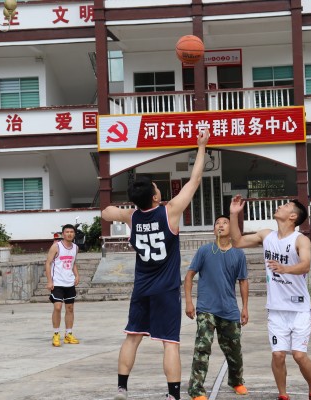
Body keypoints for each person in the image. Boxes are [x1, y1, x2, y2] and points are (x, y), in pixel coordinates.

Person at [101, 128, 210, 400]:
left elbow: (106, 212)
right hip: (166, 290)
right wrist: (201, 147)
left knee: (132, 337)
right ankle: (173, 395)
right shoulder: (169, 212)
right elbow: (195, 180)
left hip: (142, 288)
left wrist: (127, 209)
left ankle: (122, 389)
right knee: (170, 343)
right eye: (157, 189)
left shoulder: (132, 217)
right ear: (155, 197)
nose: (160, 190)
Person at [229, 194, 311, 400]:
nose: (280, 206)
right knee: (278, 355)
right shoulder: (266, 236)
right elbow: (237, 242)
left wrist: (285, 268)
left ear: (293, 216)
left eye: (286, 206)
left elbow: (305, 265)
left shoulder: (300, 239)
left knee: (299, 355)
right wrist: (234, 215)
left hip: (299, 309)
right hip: (276, 309)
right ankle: (283, 395)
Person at [184, 215, 249, 400]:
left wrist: (245, 308)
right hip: (206, 309)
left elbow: (243, 281)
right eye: (217, 224)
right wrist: (189, 302)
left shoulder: (238, 254)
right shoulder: (205, 251)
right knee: (202, 347)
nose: (221, 225)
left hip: (229, 309)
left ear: (231, 229)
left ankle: (236, 381)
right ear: (214, 230)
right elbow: (189, 276)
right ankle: (196, 389)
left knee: (234, 349)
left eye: (225, 223)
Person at [45, 223, 80, 347]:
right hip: (57, 282)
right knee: (58, 307)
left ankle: (68, 334)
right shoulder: (56, 246)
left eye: (71, 232)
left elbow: (73, 263)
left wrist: (77, 275)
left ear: (74, 234)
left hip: (69, 282)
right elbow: (48, 263)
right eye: (67, 232)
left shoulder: (75, 248)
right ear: (63, 234)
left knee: (70, 308)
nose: (69, 234)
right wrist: (49, 281)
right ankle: (56, 334)